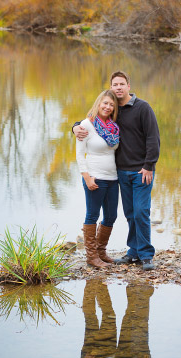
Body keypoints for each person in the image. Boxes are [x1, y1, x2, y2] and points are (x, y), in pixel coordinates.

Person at [73, 71, 160, 271]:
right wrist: (75, 127)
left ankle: (146, 255)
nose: (118, 87)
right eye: (115, 84)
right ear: (111, 88)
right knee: (129, 213)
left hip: (141, 171)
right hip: (120, 172)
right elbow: (90, 123)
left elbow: (153, 138)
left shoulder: (142, 108)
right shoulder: (112, 115)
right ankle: (133, 252)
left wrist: (149, 165)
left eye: (122, 84)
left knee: (140, 212)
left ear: (129, 86)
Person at [76, 89, 121, 268]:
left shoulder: (114, 127)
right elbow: (80, 155)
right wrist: (87, 178)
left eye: (111, 104)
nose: (108, 107)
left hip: (113, 178)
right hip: (95, 177)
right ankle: (91, 257)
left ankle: (101, 252)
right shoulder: (86, 125)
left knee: (111, 215)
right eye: (105, 103)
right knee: (93, 214)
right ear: (98, 104)